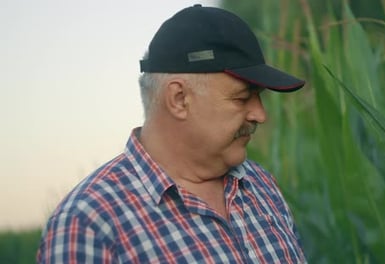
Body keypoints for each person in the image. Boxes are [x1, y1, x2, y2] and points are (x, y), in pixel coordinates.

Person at [37, 4, 307, 263]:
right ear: (179, 99)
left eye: (259, 98)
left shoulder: (261, 185)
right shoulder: (88, 225)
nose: (260, 115)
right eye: (241, 98)